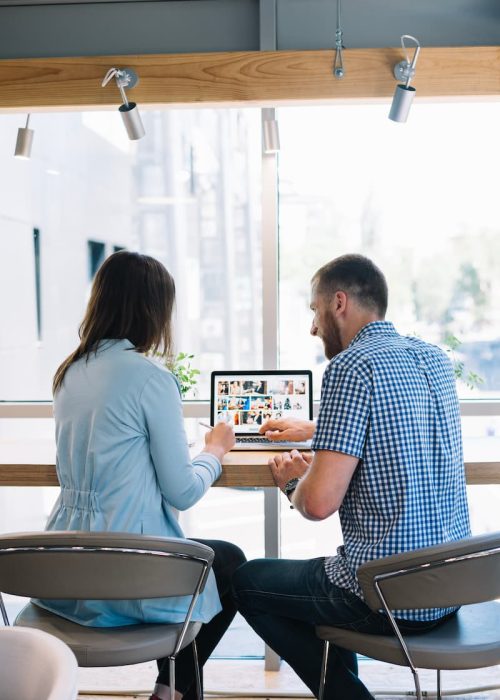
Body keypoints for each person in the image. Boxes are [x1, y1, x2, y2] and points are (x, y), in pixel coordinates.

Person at [232, 254, 470, 700]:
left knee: (245, 580)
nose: (313, 327)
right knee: (313, 583)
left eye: (313, 310)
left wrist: (290, 482)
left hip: (387, 596)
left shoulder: (350, 367)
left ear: (338, 302)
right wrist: (318, 431)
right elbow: (398, 425)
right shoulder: (432, 359)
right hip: (449, 587)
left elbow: (318, 505)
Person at [40, 251, 246, 700]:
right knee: (227, 564)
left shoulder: (69, 372)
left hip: (65, 570)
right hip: (124, 572)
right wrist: (214, 449)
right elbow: (184, 490)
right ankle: (170, 689)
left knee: (189, 559)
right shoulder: (151, 378)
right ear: (153, 311)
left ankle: (171, 692)